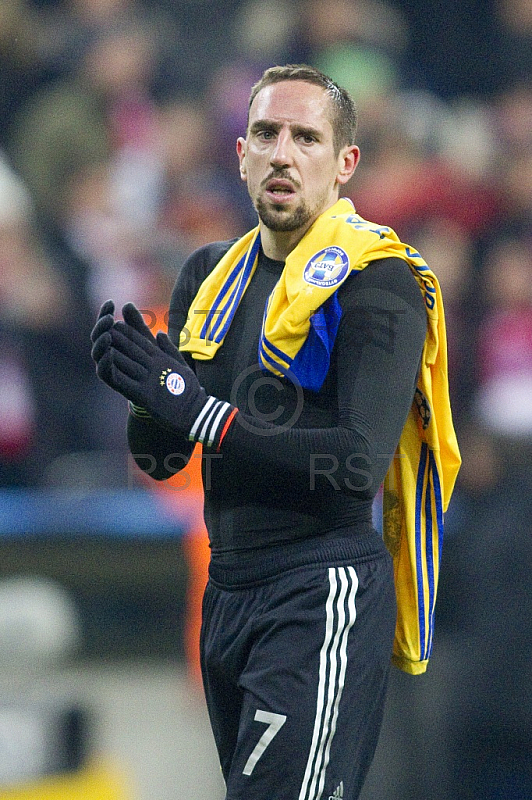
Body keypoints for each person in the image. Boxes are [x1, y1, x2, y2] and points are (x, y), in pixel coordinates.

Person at [91, 64, 460, 800]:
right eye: (266, 133)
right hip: (228, 595)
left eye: (306, 137)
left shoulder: (376, 278)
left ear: (344, 161)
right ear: (241, 152)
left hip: (320, 587)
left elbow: (356, 460)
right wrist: (144, 396)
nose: (283, 152)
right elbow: (163, 461)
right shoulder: (207, 274)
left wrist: (194, 409)